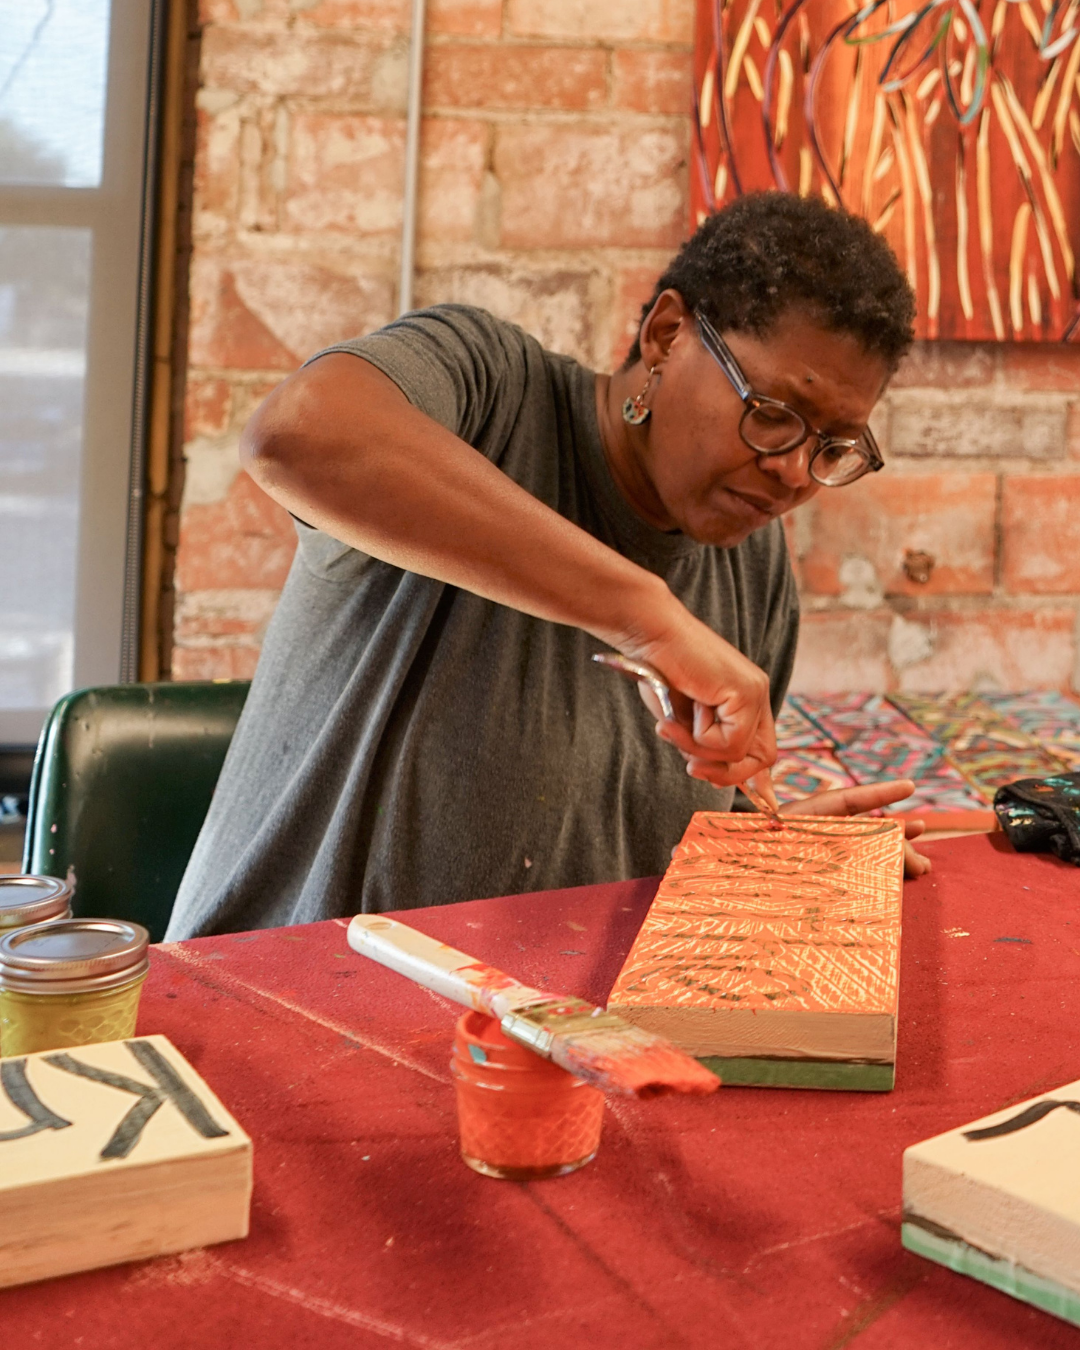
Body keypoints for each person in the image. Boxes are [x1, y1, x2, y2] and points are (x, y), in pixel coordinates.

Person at [165, 191, 928, 941]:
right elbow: (298, 434)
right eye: (771, 414)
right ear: (666, 335)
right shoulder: (491, 395)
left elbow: (651, 859)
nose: (796, 473)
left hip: (536, 1032)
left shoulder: (752, 563)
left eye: (831, 446)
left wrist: (756, 863)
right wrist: (647, 618)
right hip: (280, 1003)